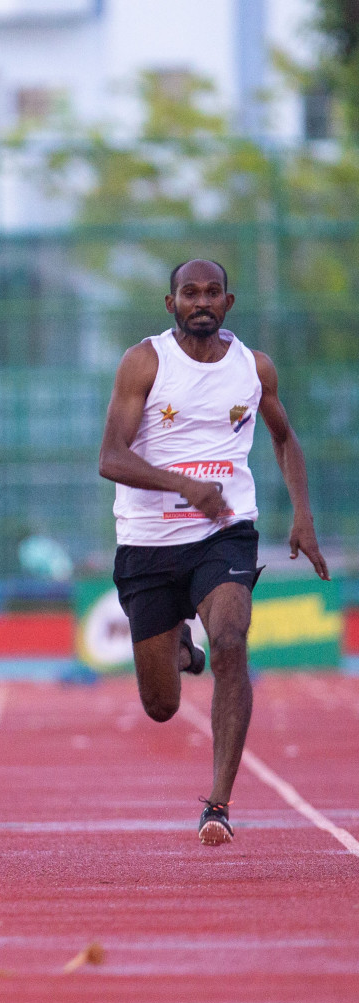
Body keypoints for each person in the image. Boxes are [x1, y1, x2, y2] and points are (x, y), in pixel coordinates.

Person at [99, 258, 328, 845]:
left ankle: (218, 806)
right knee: (160, 707)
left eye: (212, 293)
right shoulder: (145, 361)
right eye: (188, 292)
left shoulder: (255, 369)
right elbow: (111, 457)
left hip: (223, 531)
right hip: (148, 542)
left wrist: (302, 514)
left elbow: (283, 436)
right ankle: (179, 646)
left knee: (231, 643)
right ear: (170, 303)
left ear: (229, 303)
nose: (201, 301)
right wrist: (183, 485)